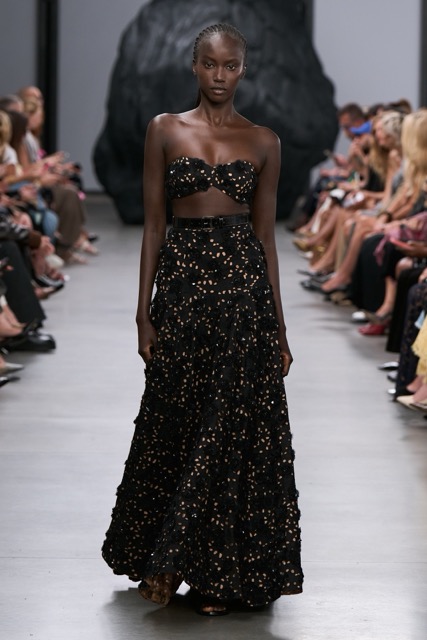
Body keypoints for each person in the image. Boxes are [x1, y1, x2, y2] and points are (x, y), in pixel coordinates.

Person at [102, 23, 303, 616]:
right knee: (177, 420)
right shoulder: (164, 129)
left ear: (244, 69)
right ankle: (164, 555)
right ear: (194, 66)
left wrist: (280, 328)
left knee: (229, 431)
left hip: (243, 299)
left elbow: (266, 239)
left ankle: (214, 574)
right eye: (210, 64)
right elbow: (154, 226)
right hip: (183, 294)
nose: (220, 76)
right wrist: (142, 315)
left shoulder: (264, 140)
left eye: (231, 65)